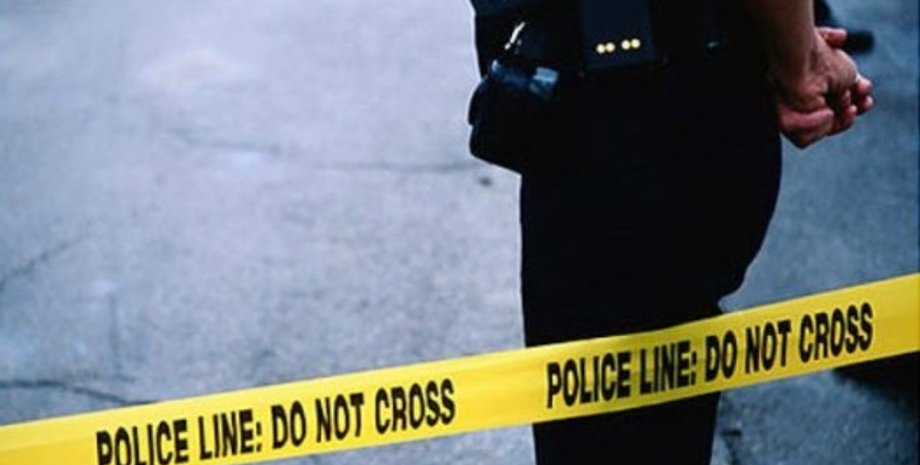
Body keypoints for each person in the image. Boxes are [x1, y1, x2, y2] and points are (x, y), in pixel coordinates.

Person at [468, 0, 873, 463]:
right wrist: (800, 62)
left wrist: (800, 61)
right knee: (629, 417)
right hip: (641, 98)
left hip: (629, 100)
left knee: (608, 419)